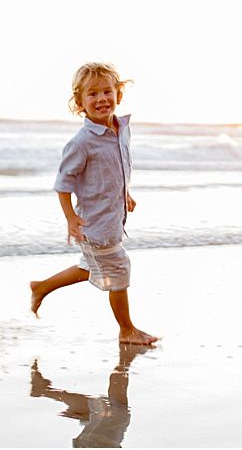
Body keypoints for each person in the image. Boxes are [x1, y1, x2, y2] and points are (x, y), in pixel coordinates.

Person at [30, 62, 158, 346]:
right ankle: (127, 330)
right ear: (80, 104)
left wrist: (124, 193)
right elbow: (63, 183)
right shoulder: (82, 142)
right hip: (95, 224)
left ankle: (41, 287)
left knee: (92, 266)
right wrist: (70, 218)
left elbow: (116, 167)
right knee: (119, 271)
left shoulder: (121, 129)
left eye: (107, 91)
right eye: (92, 94)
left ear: (118, 94)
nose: (101, 99)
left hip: (111, 215)